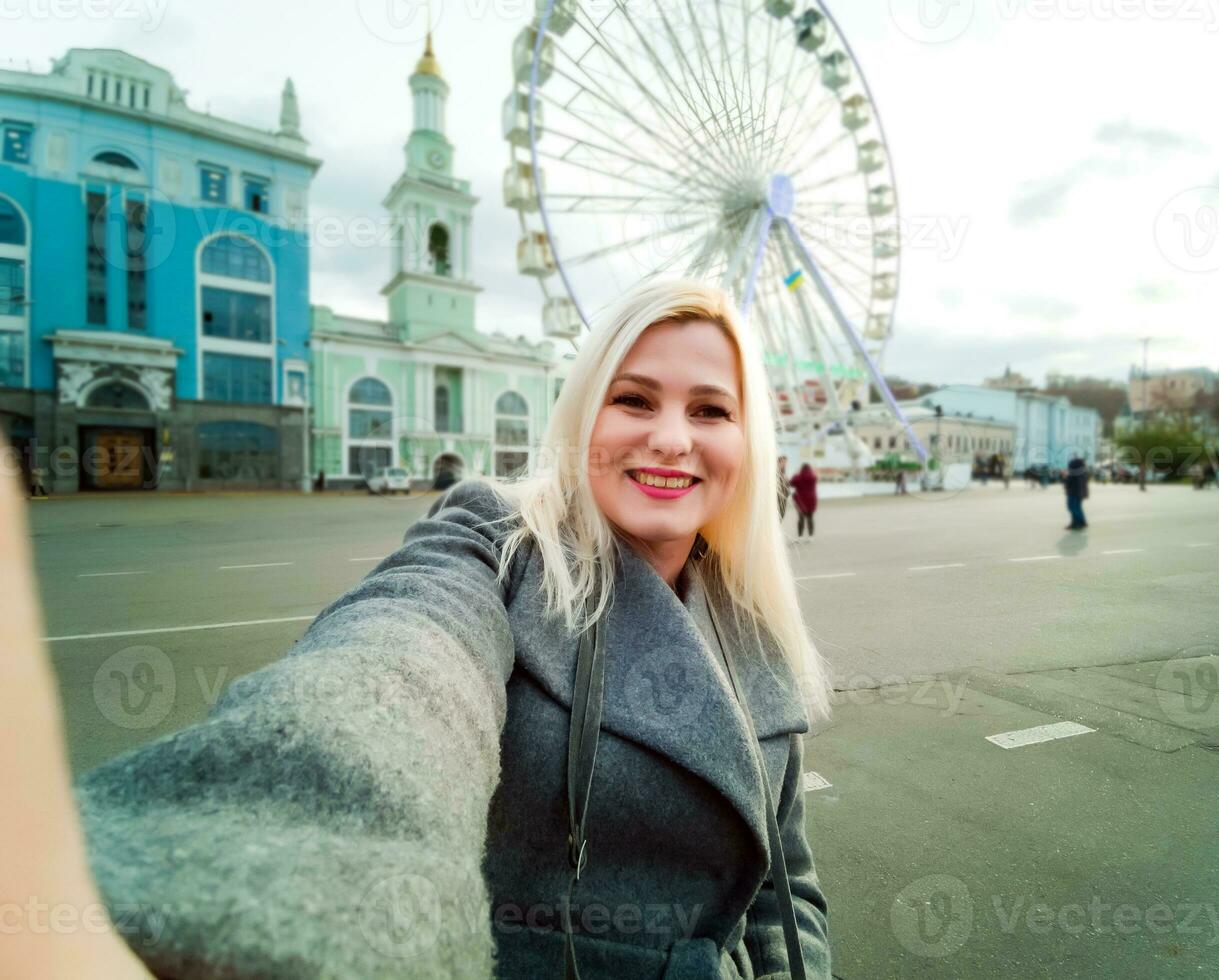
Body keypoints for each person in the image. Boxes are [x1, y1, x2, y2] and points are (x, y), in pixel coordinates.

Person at [0, 280, 833, 980]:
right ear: (585, 414)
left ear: (746, 440)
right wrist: (272, 868)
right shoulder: (496, 542)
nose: (671, 438)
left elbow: (781, 889)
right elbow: (398, 672)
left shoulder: (752, 620)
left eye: (711, 409)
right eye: (634, 398)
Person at [790, 462, 818, 539]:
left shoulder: (798, 477)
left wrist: (796, 473)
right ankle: (811, 536)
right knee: (810, 518)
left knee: (801, 518)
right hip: (812, 500)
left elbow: (791, 483)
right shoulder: (813, 477)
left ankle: (800, 537)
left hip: (801, 501)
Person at [1064, 456, 1090, 530]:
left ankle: (1081, 522)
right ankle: (1075, 523)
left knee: (1073, 508)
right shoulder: (1081, 472)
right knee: (1077, 508)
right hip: (1078, 493)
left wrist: (1065, 476)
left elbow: (1068, 483)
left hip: (1074, 493)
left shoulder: (1074, 473)